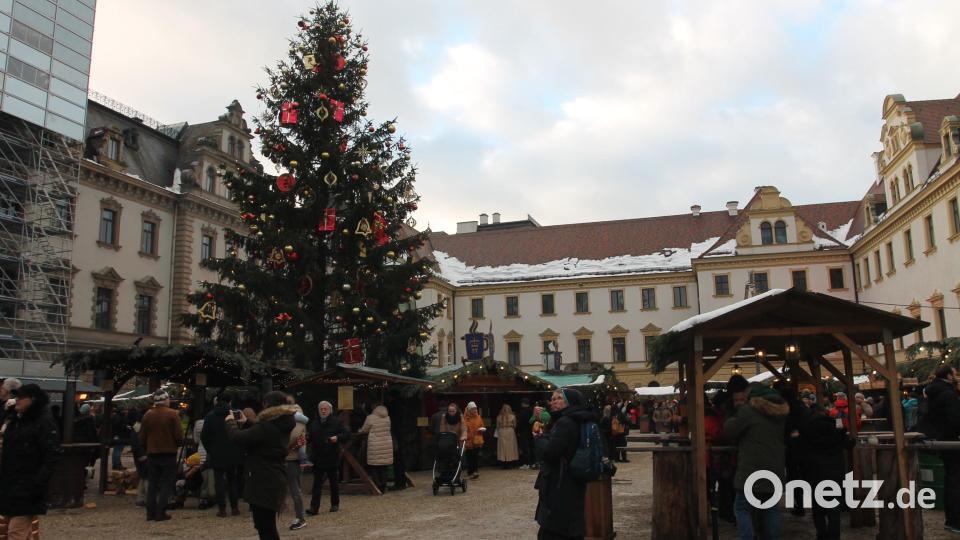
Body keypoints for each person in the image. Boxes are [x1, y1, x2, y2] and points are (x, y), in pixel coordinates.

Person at [225, 391, 295, 540]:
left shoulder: (266, 427)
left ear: (267, 405)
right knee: (267, 525)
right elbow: (265, 434)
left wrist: (231, 422)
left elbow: (238, 437)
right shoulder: (283, 422)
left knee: (265, 527)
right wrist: (247, 422)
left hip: (262, 479)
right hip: (274, 476)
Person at [724, 384, 790, 540]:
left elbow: (730, 430)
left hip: (751, 470)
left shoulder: (749, 411)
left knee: (742, 508)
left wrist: (733, 416)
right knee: (771, 509)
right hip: (775, 469)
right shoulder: (780, 413)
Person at [0, 384, 61, 539]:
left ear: (32, 400)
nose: (17, 400)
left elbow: (52, 455)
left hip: (28, 486)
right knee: (16, 530)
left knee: (16, 531)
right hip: (10, 484)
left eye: (21, 397)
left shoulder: (43, 422)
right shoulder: (15, 421)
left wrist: (37, 482)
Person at [534, 388, 595, 539]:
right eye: (552, 399)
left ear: (570, 402)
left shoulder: (565, 422)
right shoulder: (581, 419)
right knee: (572, 526)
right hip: (575, 480)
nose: (553, 402)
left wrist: (539, 438)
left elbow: (550, 453)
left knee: (554, 530)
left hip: (560, 482)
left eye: (559, 398)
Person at [917, 365, 960, 531]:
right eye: (954, 374)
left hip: (939, 439)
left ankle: (951, 519)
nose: (956, 376)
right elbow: (955, 419)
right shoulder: (948, 394)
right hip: (952, 440)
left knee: (950, 478)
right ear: (948, 376)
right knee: (955, 480)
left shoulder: (931, 392)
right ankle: (955, 520)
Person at [800, 404, 851, 540]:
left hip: (815, 473)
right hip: (835, 473)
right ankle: (834, 536)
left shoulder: (807, 431)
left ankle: (821, 534)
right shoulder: (837, 430)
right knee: (834, 508)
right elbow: (849, 444)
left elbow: (800, 452)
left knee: (818, 508)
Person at [139, 389, 183, 522]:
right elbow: (178, 435)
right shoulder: (173, 414)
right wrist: (177, 444)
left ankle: (150, 513)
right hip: (169, 453)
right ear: (165, 400)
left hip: (152, 453)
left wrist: (147, 448)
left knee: (152, 483)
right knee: (166, 483)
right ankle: (161, 512)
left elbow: (142, 437)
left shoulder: (147, 415)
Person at [201, 393, 243, 517]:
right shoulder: (234, 414)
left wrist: (210, 449)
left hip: (216, 452)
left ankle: (222, 509)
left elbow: (204, 436)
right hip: (233, 451)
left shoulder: (210, 416)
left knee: (218, 481)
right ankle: (234, 507)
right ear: (229, 402)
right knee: (232, 479)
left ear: (217, 401)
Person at [306, 401, 349, 515]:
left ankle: (335, 504)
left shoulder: (337, 422)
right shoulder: (314, 423)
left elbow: (346, 434)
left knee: (333, 482)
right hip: (318, 457)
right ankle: (314, 507)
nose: (323, 411)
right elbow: (310, 437)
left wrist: (337, 437)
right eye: (321, 409)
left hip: (332, 456)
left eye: (325, 409)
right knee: (317, 484)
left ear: (330, 410)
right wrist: (305, 438)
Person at [284, 397, 309, 531]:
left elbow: (294, 435)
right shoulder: (289, 415)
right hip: (287, 457)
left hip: (292, 458)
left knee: (295, 490)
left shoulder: (296, 415)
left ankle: (300, 517)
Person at [359, 404, 393, 493]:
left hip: (375, 444)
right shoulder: (387, 418)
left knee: (374, 466)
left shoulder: (370, 417)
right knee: (384, 466)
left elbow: (364, 430)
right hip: (386, 444)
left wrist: (360, 430)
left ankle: (377, 486)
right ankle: (383, 486)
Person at [463, 402, 485, 479]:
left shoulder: (478, 417)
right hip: (468, 441)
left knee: (475, 457)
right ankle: (470, 472)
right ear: (469, 410)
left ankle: (475, 472)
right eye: (473, 409)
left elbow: (482, 426)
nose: (475, 410)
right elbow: (463, 429)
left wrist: (482, 430)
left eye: (475, 408)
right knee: (469, 457)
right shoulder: (465, 418)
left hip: (477, 440)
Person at [496, 403, 519, 468]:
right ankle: (510, 462)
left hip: (502, 431)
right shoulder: (513, 416)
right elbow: (515, 425)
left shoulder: (499, 417)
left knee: (502, 447)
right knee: (511, 447)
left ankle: (503, 462)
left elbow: (497, 426)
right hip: (510, 431)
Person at [517, 398, 534, 468]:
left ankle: (526, 463)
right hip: (531, 431)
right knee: (531, 447)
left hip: (524, 432)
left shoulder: (523, 412)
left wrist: (517, 431)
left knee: (525, 448)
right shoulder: (532, 411)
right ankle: (533, 462)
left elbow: (521, 423)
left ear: (522, 403)